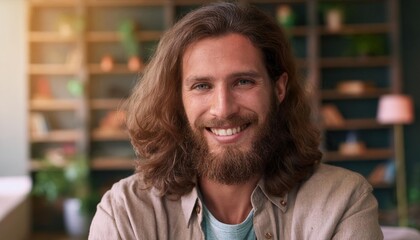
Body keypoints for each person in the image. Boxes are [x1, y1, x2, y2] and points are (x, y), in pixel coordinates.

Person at [89, 2, 383, 239]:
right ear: (177, 98)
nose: (223, 109)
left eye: (243, 82)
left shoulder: (342, 201)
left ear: (278, 88)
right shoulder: (125, 212)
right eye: (202, 86)